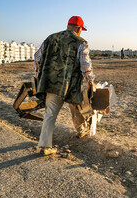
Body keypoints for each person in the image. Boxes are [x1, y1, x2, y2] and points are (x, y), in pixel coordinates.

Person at [34, 16, 95, 155]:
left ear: (68, 25)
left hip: (50, 84)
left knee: (50, 114)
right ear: (79, 29)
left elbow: (37, 58)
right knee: (76, 105)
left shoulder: (51, 38)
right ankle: (82, 131)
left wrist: (38, 76)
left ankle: (44, 146)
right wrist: (91, 81)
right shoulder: (81, 42)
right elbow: (85, 66)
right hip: (70, 86)